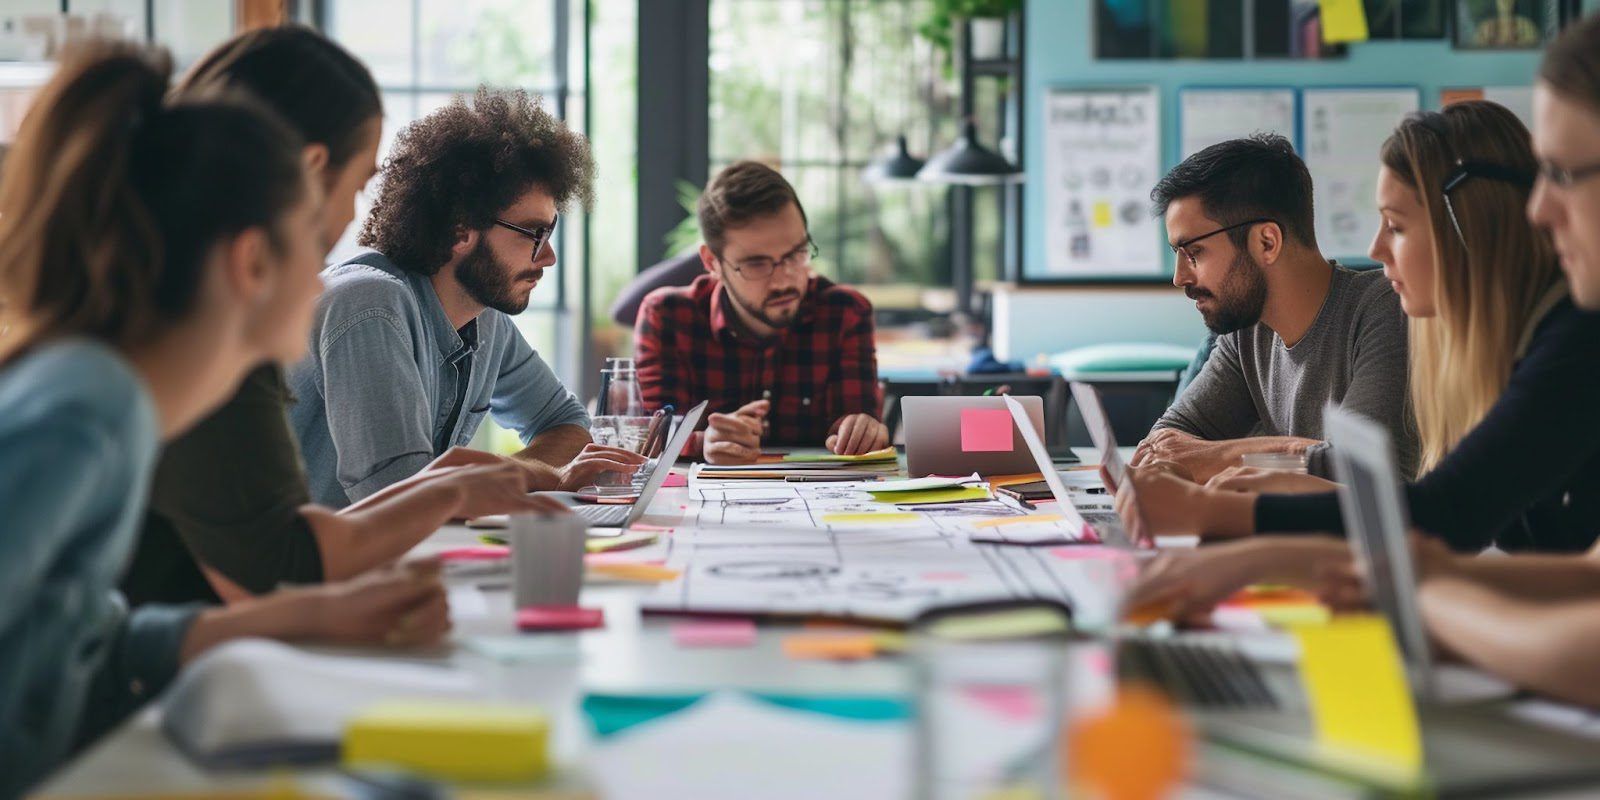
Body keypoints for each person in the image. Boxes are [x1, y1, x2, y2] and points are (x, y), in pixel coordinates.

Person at [0, 41, 451, 795]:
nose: (322, 277)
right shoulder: (88, 413)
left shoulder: (120, 407)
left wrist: (311, 616)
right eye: (306, 246)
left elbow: (83, 644)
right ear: (251, 262)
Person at [121, 27, 564, 608]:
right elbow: (279, 574)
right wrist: (449, 489)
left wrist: (455, 485)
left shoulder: (167, 319)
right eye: (357, 185)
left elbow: (276, 556)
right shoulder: (209, 343)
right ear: (309, 172)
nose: (323, 272)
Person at [1120, 100, 1600, 555]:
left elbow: (1437, 513)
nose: (1374, 249)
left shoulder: (1569, 347)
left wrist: (1217, 503)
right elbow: (1450, 526)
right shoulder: (1473, 353)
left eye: (1396, 225)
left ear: (1465, 228)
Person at [288, 87, 646, 508]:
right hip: (305, 570)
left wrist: (516, 477)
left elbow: (567, 424)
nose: (548, 257)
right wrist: (543, 474)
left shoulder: (484, 318)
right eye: (534, 233)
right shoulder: (369, 306)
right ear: (461, 230)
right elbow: (401, 498)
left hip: (393, 558)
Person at [1131, 134, 1416, 483]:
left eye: (1193, 253)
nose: (1179, 277)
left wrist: (1216, 457)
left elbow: (1361, 467)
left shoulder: (1386, 310)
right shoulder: (1246, 330)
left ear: (1267, 242)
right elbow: (1168, 443)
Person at [633, 161, 886, 465]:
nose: (784, 280)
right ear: (712, 262)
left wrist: (860, 431)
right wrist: (703, 443)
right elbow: (650, 436)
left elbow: (856, 420)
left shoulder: (845, 313)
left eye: (796, 254)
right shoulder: (668, 317)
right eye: (757, 264)